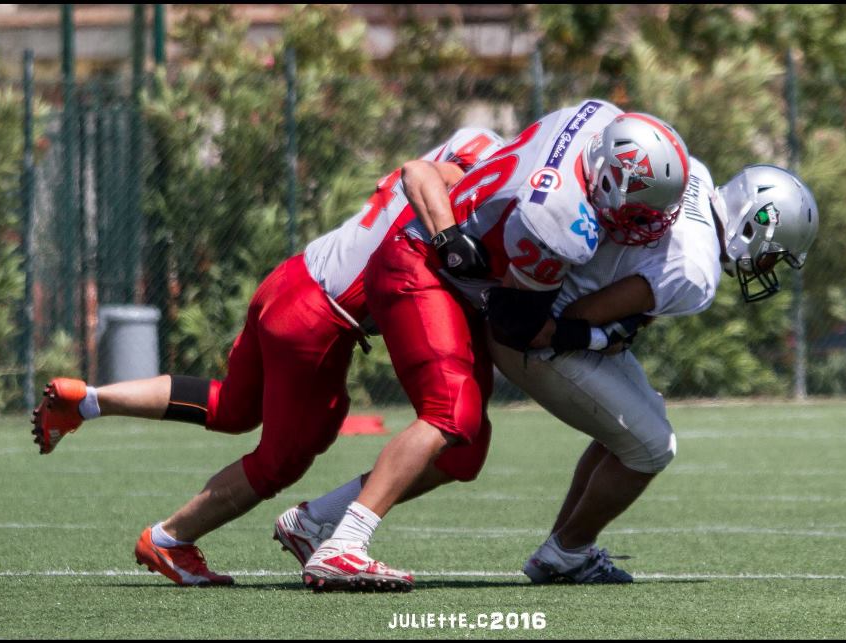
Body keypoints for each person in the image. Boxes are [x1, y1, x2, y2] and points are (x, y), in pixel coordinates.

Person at [282, 161, 819, 586]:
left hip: (527, 293)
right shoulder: (698, 269)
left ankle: (322, 518)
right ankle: (566, 550)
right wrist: (603, 335)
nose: (767, 267)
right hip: (537, 332)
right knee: (651, 447)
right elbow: (583, 319)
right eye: (774, 255)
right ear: (756, 222)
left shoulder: (693, 174)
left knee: (638, 424)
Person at [30, 127, 506, 586]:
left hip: (291, 278)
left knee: (231, 407)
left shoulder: (465, 154)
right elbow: (431, 177)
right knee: (280, 460)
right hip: (319, 316)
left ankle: (88, 400)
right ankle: (169, 538)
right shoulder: (470, 173)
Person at [299, 102, 691, 591]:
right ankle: (344, 545)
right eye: (640, 211)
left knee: (464, 452)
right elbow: (515, 325)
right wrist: (597, 333)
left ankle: (314, 522)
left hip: (440, 262)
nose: (651, 225)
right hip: (419, 264)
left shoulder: (597, 118)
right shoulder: (560, 216)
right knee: (449, 415)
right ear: (609, 180)